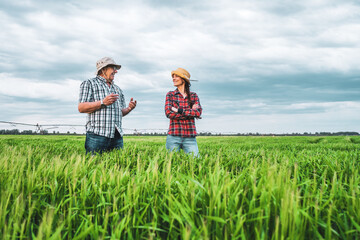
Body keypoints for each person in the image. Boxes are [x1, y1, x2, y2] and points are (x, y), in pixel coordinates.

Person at [78, 57, 137, 154]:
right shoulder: (89, 83)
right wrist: (102, 102)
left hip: (116, 137)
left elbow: (120, 113)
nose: (116, 71)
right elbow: (81, 107)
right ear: (103, 69)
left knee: (117, 166)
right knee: (94, 166)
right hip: (97, 136)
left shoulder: (117, 89)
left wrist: (129, 108)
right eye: (113, 68)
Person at [165, 67, 202, 157]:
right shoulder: (170, 95)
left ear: (184, 80)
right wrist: (190, 113)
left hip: (190, 137)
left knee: (196, 162)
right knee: (171, 162)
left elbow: (198, 113)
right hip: (174, 135)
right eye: (173, 76)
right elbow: (169, 113)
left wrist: (178, 110)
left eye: (176, 76)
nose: (173, 78)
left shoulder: (193, 96)